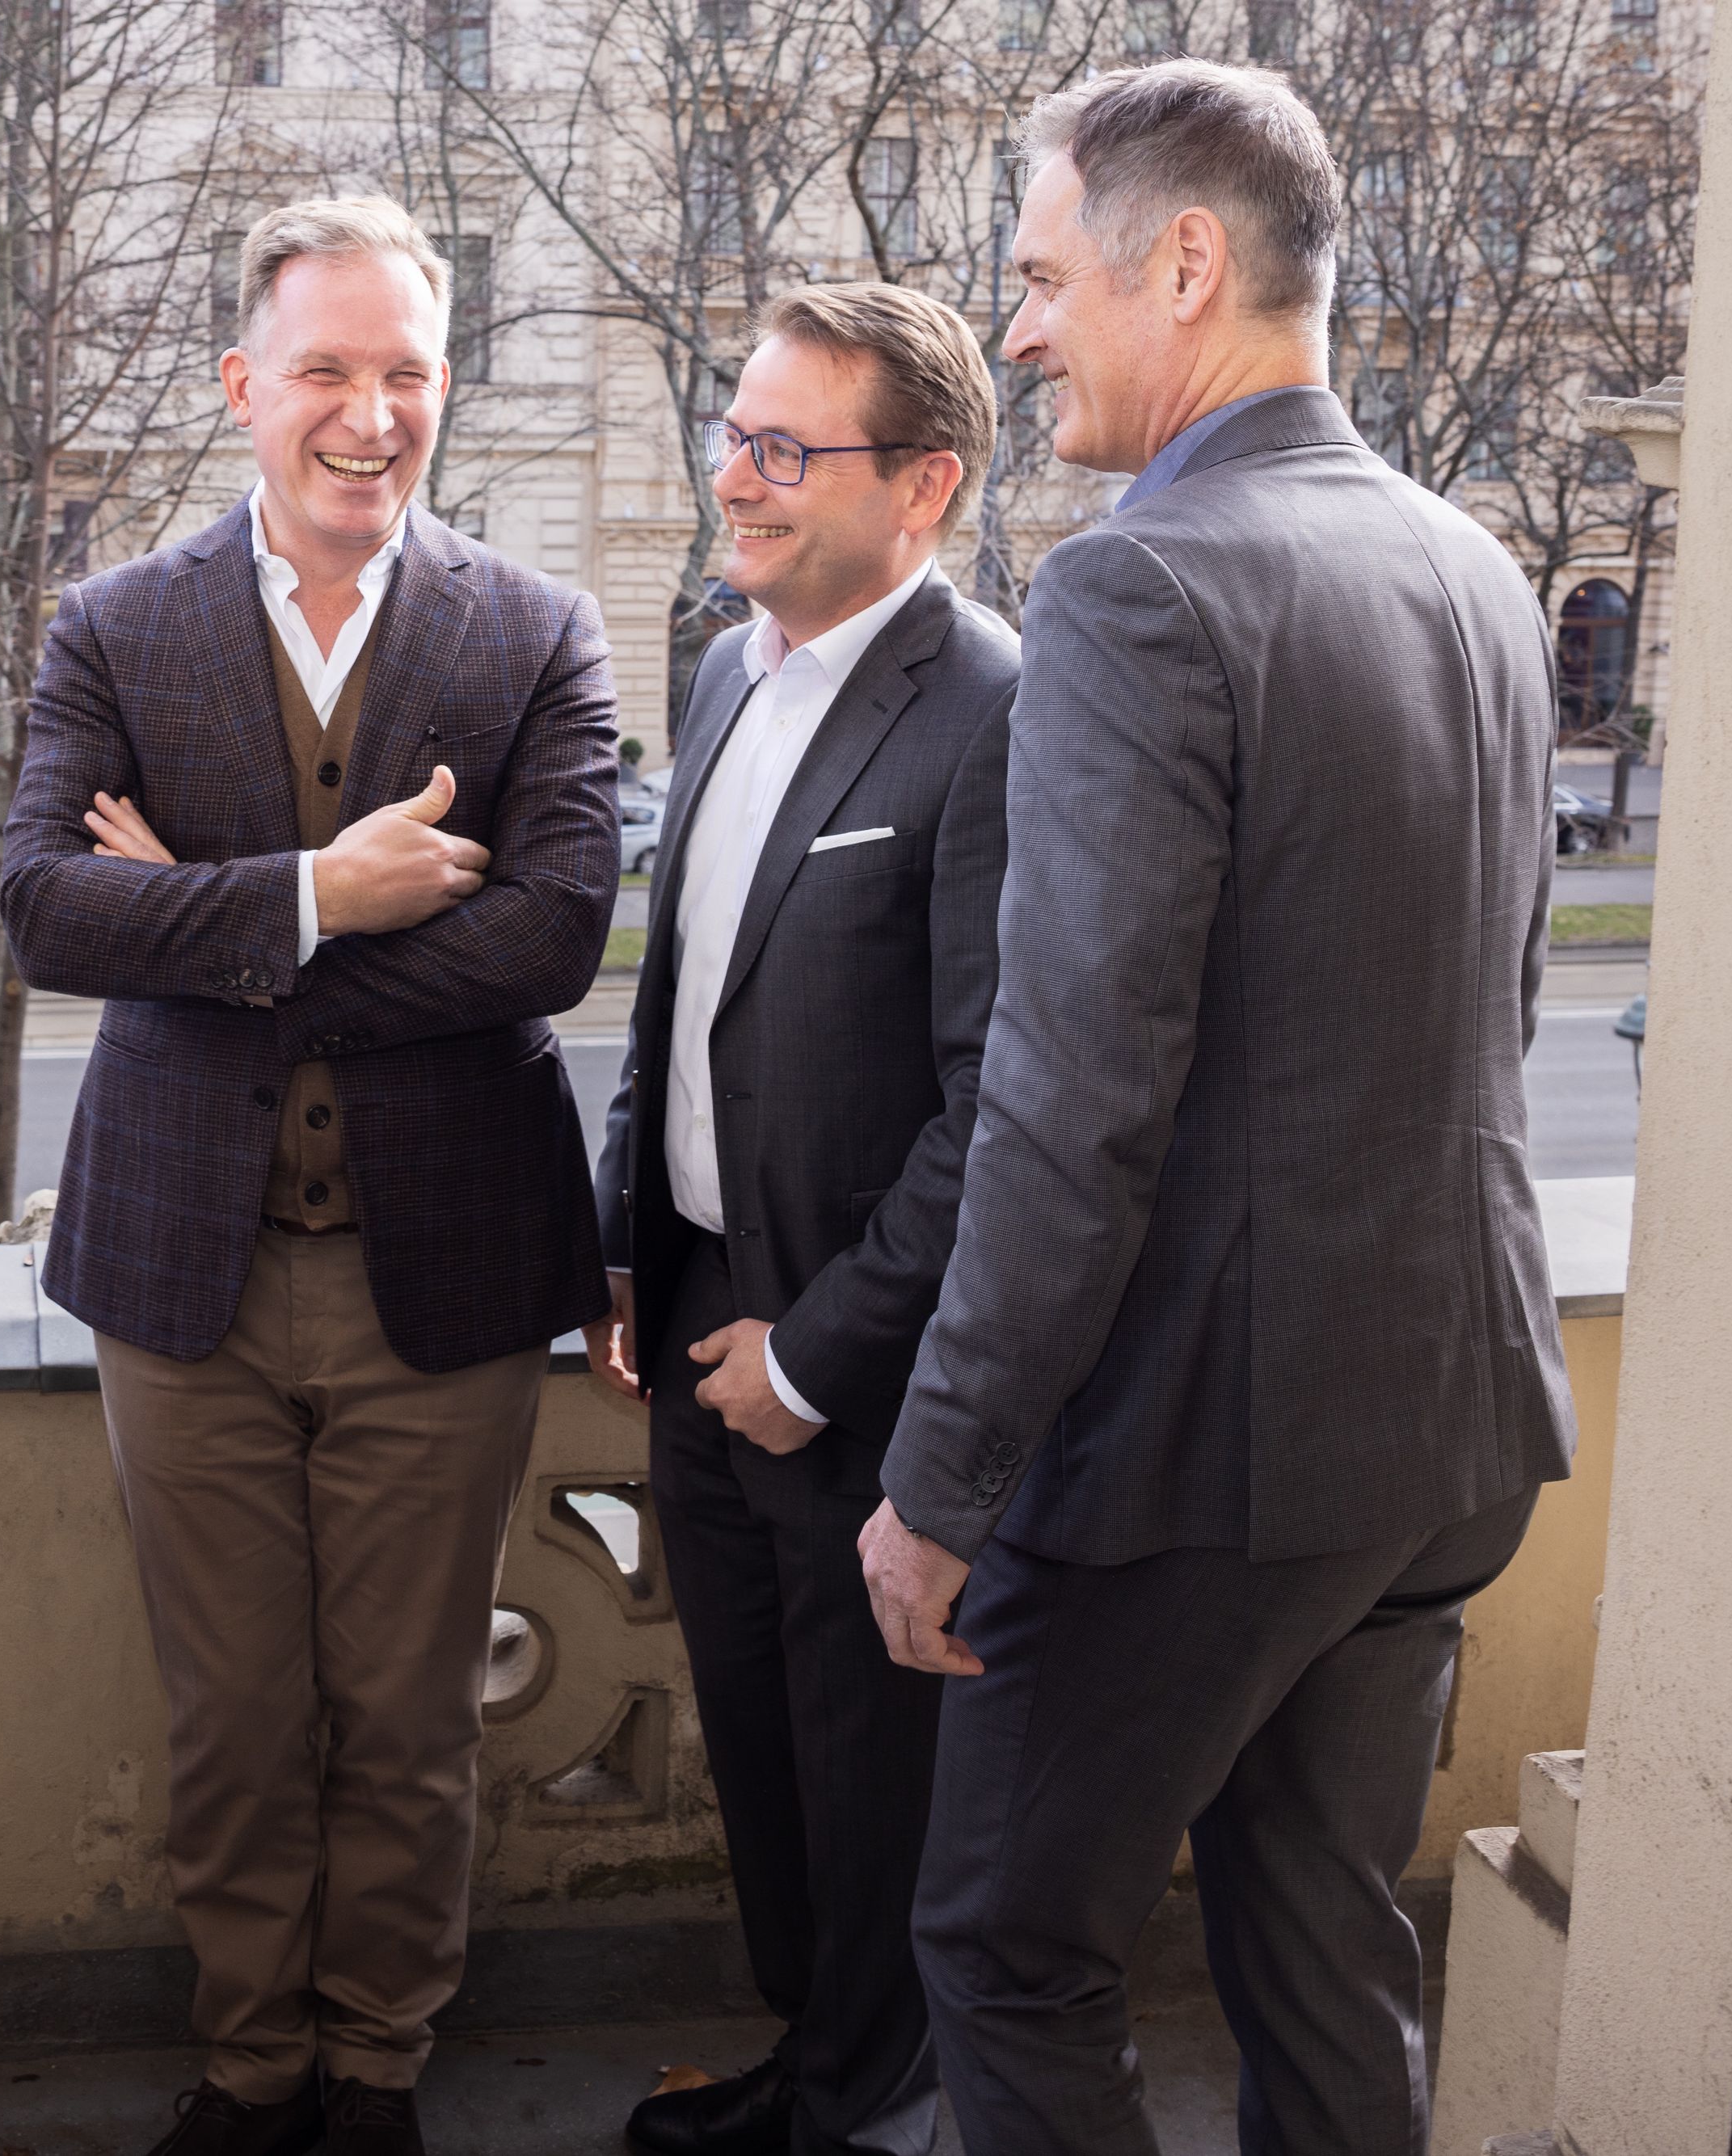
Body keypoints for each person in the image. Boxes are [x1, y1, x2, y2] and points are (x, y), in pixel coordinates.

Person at [858, 61, 1574, 2155]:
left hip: (1206, 1460)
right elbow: (1491, 1016)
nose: (1014, 330)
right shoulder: (1474, 570)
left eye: (1039, 275)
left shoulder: (1135, 589)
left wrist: (944, 1481)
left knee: (1008, 1946)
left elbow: (1077, 1102)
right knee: (1325, 1948)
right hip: (1442, 1437)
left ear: (1184, 262)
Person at [4, 196, 622, 2156]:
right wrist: (315, 895)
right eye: (327, 373)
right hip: (181, 1274)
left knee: (415, 1718)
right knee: (233, 1719)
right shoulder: (114, 624)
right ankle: (250, 2066)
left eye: (406, 374)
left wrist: (189, 910)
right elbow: (40, 907)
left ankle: (373, 2069)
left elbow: (553, 939)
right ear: (241, 388)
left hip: (434, 1271)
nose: (369, 415)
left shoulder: (534, 631)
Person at [589, 283, 1016, 2156]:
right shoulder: (721, 669)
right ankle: (810, 2074)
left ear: (917, 487)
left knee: (866, 1795)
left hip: (851, 1365)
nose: (733, 479)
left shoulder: (990, 710)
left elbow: (996, 1102)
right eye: (728, 433)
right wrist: (625, 1250)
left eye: (783, 447)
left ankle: (860, 2108)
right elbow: (676, 993)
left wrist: (818, 1349)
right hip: (690, 1317)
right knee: (761, 1773)